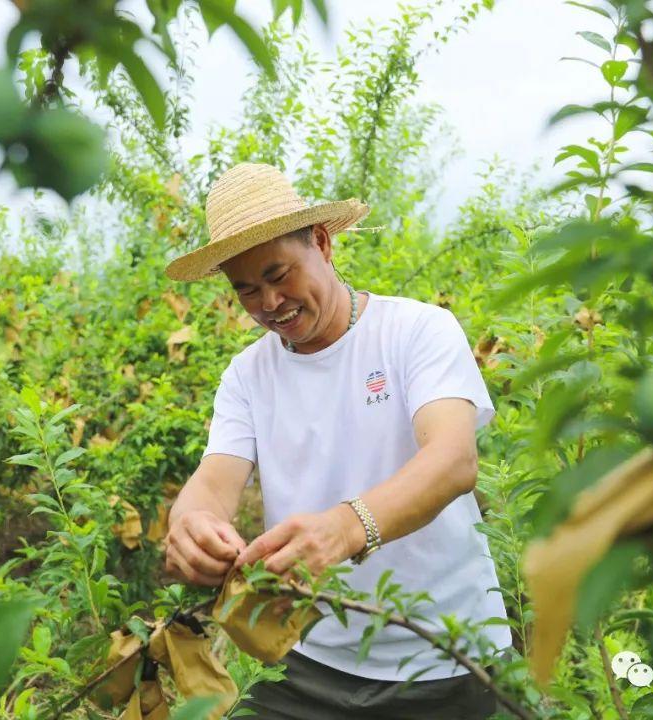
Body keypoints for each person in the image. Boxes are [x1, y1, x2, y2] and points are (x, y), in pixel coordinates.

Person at [162, 162, 510, 719]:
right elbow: (213, 481)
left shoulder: (416, 331)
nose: (269, 303)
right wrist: (190, 526)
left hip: (446, 659)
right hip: (306, 662)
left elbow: (452, 460)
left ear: (321, 243)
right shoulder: (248, 376)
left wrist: (346, 528)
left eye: (279, 276)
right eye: (246, 290)